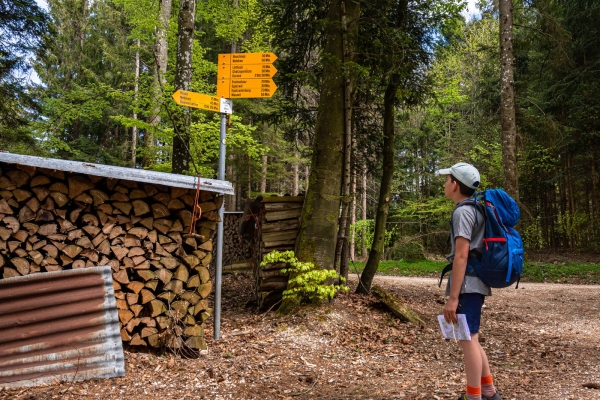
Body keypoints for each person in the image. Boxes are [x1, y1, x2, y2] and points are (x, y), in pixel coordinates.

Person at [437, 162, 502, 400]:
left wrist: (453, 299)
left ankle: (474, 396)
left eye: (447, 180)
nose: (445, 184)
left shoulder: (463, 212)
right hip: (474, 282)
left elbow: (461, 256)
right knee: (471, 337)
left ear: (455, 184)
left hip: (468, 283)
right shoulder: (474, 209)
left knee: (468, 339)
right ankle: (488, 392)